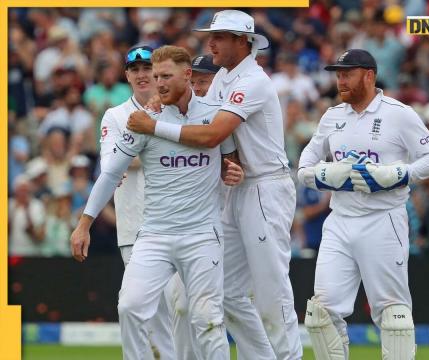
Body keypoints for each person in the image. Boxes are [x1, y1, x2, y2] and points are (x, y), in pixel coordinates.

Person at [126, 10, 302, 360]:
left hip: (266, 187)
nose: (210, 43)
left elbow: (211, 134)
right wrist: (162, 99)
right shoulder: (223, 78)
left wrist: (153, 126)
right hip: (235, 187)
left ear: (242, 41)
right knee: (226, 293)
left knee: (271, 292)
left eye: (219, 36)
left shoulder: (252, 80)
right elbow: (202, 118)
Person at [71, 45, 243, 360]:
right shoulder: (140, 120)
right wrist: (84, 223)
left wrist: (230, 169)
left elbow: (228, 154)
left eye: (164, 75)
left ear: (188, 74)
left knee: (206, 319)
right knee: (131, 307)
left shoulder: (214, 113)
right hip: (153, 234)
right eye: (156, 75)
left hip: (202, 234)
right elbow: (110, 172)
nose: (157, 81)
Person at [297, 49, 429, 360]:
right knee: (320, 315)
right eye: (338, 74)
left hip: (384, 220)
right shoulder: (332, 116)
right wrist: (327, 174)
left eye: (347, 73)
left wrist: (399, 174)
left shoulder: (399, 113)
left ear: (369, 75)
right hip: (339, 221)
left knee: (394, 317)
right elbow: (303, 169)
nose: (340, 80)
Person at [98, 45, 175, 360]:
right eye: (136, 70)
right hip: (135, 228)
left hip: (178, 225)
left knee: (182, 312)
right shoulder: (115, 115)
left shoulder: (177, 110)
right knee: (145, 313)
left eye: (148, 69)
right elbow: (111, 163)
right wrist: (166, 148)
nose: (143, 75)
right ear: (127, 75)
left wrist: (138, 151)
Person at [162, 52, 222, 360]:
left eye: (205, 81)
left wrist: (233, 168)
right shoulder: (168, 113)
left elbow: (241, 161)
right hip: (183, 227)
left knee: (225, 310)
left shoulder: (226, 115)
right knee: (182, 307)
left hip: (220, 227)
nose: (199, 87)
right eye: (195, 81)